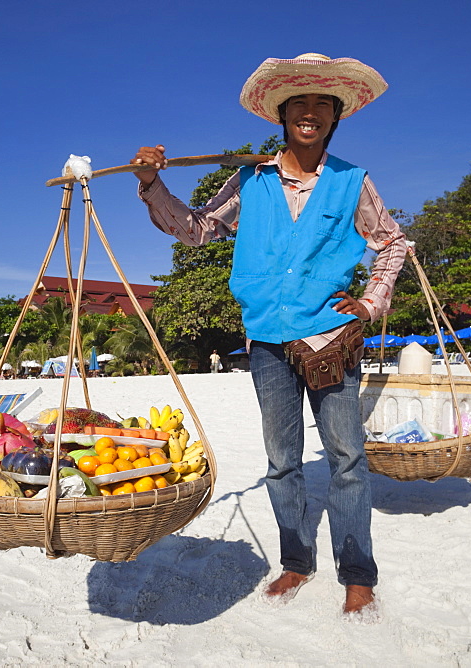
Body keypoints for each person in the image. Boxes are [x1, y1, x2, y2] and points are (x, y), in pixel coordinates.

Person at [133, 54, 407, 614]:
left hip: (329, 336)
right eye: (299, 105)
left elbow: (393, 244)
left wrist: (369, 303)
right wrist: (150, 183)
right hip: (266, 342)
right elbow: (198, 230)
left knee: (347, 460)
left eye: (321, 106)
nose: (310, 113)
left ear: (335, 118)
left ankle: (357, 573)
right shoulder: (250, 180)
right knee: (282, 460)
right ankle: (296, 563)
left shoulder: (351, 181)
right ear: (281, 117)